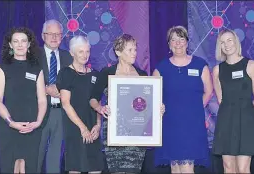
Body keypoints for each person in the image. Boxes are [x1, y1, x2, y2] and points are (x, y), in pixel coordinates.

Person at [90, 34, 164, 173]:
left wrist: (158, 109)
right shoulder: (107, 73)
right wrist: (100, 108)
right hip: (114, 132)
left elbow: (147, 104)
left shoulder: (142, 74)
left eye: (135, 49)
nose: (134, 53)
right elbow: (93, 99)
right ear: (118, 52)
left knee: (133, 170)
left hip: (137, 132)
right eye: (130, 50)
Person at [152, 26, 213, 173]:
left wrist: (195, 109)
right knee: (175, 167)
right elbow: (152, 95)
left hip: (192, 124)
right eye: (173, 39)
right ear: (169, 44)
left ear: (187, 42)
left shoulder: (200, 65)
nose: (178, 43)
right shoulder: (161, 68)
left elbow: (209, 91)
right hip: (170, 124)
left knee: (187, 167)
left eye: (181, 39)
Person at [0, 27, 47, 173]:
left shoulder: (37, 68)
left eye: (23, 41)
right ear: (10, 45)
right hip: (9, 126)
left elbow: (42, 100)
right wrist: (11, 123)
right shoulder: (3, 67)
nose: (20, 44)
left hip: (32, 126)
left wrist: (38, 122)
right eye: (15, 41)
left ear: (29, 44)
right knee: (11, 167)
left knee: (28, 168)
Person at [211, 29, 254, 173]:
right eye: (222, 42)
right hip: (226, 121)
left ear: (236, 42)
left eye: (229, 40)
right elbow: (220, 97)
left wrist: (250, 119)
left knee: (242, 168)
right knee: (228, 167)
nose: (226, 45)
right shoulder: (217, 70)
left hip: (246, 121)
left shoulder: (251, 65)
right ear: (219, 46)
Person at [56, 35, 105, 173]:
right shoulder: (66, 73)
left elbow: (97, 102)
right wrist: (82, 128)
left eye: (87, 51)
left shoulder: (95, 74)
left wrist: (98, 124)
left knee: (95, 168)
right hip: (75, 128)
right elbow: (65, 103)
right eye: (81, 51)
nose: (85, 55)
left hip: (92, 129)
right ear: (72, 53)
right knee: (76, 168)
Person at [37, 19, 73, 173]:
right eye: (50, 34)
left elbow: (74, 82)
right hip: (38, 112)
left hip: (61, 112)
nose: (54, 37)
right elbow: (25, 80)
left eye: (58, 34)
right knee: (36, 155)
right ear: (43, 36)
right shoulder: (33, 56)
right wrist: (45, 89)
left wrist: (63, 91)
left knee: (55, 156)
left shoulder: (68, 57)